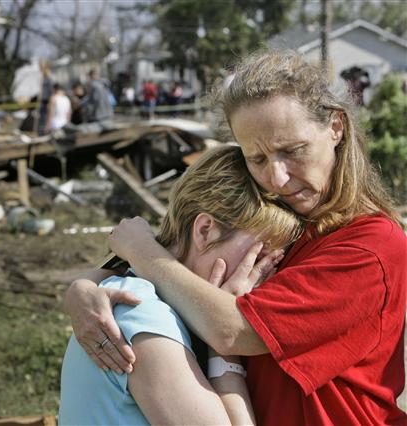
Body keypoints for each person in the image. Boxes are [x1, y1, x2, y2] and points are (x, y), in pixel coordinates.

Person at [65, 50, 406, 425]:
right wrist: (84, 286)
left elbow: (231, 329)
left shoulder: (370, 247)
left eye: (292, 151)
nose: (276, 178)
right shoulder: (292, 217)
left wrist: (142, 251)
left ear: (336, 127)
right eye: (256, 158)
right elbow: (187, 259)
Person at [59, 145, 303, 425]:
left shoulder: (150, 301)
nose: (264, 276)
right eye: (257, 256)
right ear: (205, 230)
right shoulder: (140, 312)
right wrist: (225, 348)